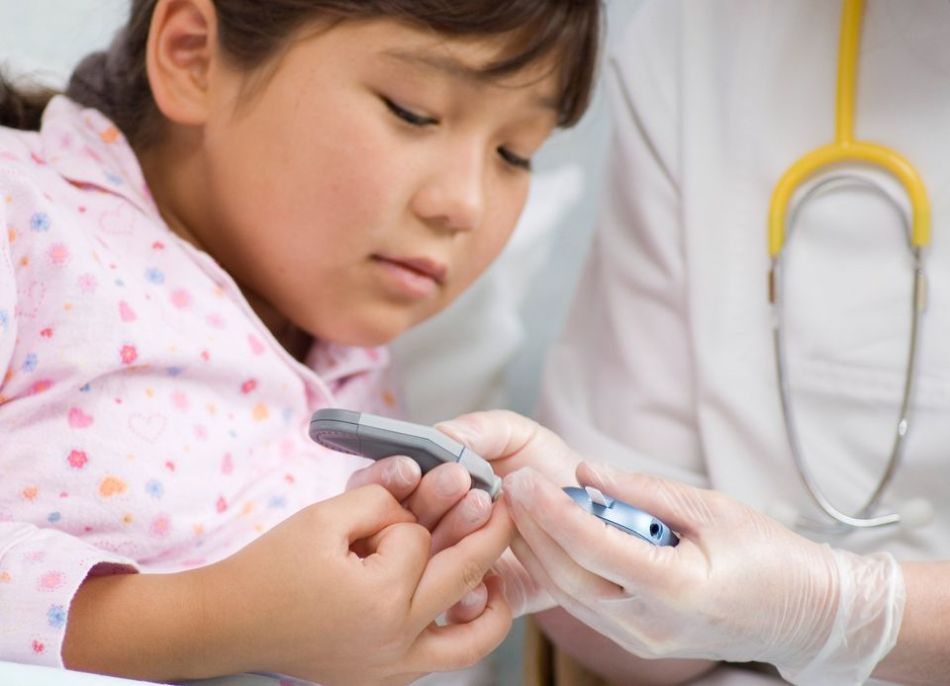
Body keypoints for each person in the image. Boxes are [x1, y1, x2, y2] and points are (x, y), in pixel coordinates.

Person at [0, 0, 601, 683]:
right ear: (193, 55)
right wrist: (212, 620)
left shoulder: (362, 368)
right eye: (412, 111)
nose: (464, 204)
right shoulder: (21, 218)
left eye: (514, 154)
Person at [436, 1, 950, 685]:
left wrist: (844, 612)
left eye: (512, 155)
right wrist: (568, 551)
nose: (460, 206)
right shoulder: (704, 32)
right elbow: (639, 631)